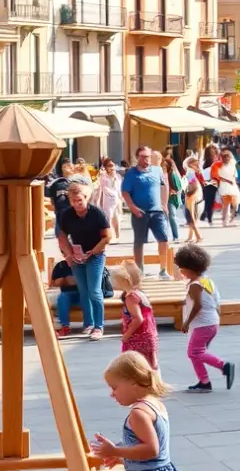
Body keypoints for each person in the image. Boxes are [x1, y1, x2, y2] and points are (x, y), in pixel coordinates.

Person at [55, 183, 112, 340]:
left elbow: (107, 236)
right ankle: (88, 323)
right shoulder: (66, 214)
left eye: (79, 200)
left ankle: (99, 327)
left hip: (95, 255)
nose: (76, 204)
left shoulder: (96, 213)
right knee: (84, 291)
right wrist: (69, 254)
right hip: (76, 256)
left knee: (94, 291)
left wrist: (93, 251)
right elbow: (62, 237)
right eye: (73, 201)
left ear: (86, 198)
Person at [175, 244, 233, 394]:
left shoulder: (195, 285)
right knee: (196, 353)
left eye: (181, 268)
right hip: (211, 322)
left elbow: (198, 305)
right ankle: (204, 382)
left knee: (195, 352)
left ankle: (223, 366)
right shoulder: (206, 280)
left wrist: (186, 322)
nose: (180, 271)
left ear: (189, 268)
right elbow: (211, 300)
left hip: (203, 324)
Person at [121, 146, 171, 281]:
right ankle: (140, 270)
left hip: (157, 211)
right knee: (139, 242)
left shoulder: (157, 170)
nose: (146, 159)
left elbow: (164, 185)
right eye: (143, 156)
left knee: (164, 239)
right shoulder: (131, 173)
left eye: (148, 156)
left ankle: (163, 269)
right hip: (140, 212)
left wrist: (164, 203)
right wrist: (132, 207)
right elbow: (125, 192)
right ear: (137, 157)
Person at [111, 263, 159, 370]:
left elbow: (138, 318)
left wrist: (127, 335)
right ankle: (154, 384)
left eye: (117, 280)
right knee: (150, 365)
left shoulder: (131, 298)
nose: (114, 282)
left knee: (136, 368)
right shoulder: (139, 293)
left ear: (124, 281)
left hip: (137, 339)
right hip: (148, 336)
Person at [94, 158, 123, 242]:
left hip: (115, 199)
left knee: (116, 217)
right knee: (108, 217)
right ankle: (109, 236)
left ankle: (117, 236)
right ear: (105, 167)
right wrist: (98, 200)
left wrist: (120, 199)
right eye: (109, 166)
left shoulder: (117, 176)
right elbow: (100, 189)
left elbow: (118, 189)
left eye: (113, 165)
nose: (112, 167)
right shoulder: (103, 177)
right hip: (108, 200)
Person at [215, 150, 240, 227]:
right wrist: (227, 181)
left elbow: (235, 176)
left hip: (233, 187)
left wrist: (236, 183)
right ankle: (224, 221)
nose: (227, 159)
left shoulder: (232, 166)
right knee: (226, 205)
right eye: (225, 157)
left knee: (235, 204)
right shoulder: (219, 166)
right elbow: (218, 177)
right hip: (224, 188)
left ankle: (231, 219)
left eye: (228, 157)